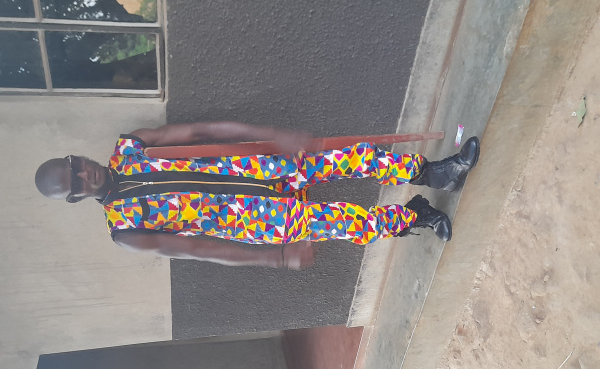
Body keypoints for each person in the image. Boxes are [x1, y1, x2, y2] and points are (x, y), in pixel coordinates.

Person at [35, 122, 479, 270]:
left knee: (354, 158)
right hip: (257, 220)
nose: (84, 173)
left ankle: (437, 173)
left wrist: (272, 136)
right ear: (76, 197)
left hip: (262, 168)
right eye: (75, 182)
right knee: (351, 223)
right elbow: (197, 248)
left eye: (75, 164)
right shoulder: (124, 229)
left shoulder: (130, 147)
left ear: (77, 156)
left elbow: (200, 131)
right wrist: (274, 257)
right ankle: (415, 216)